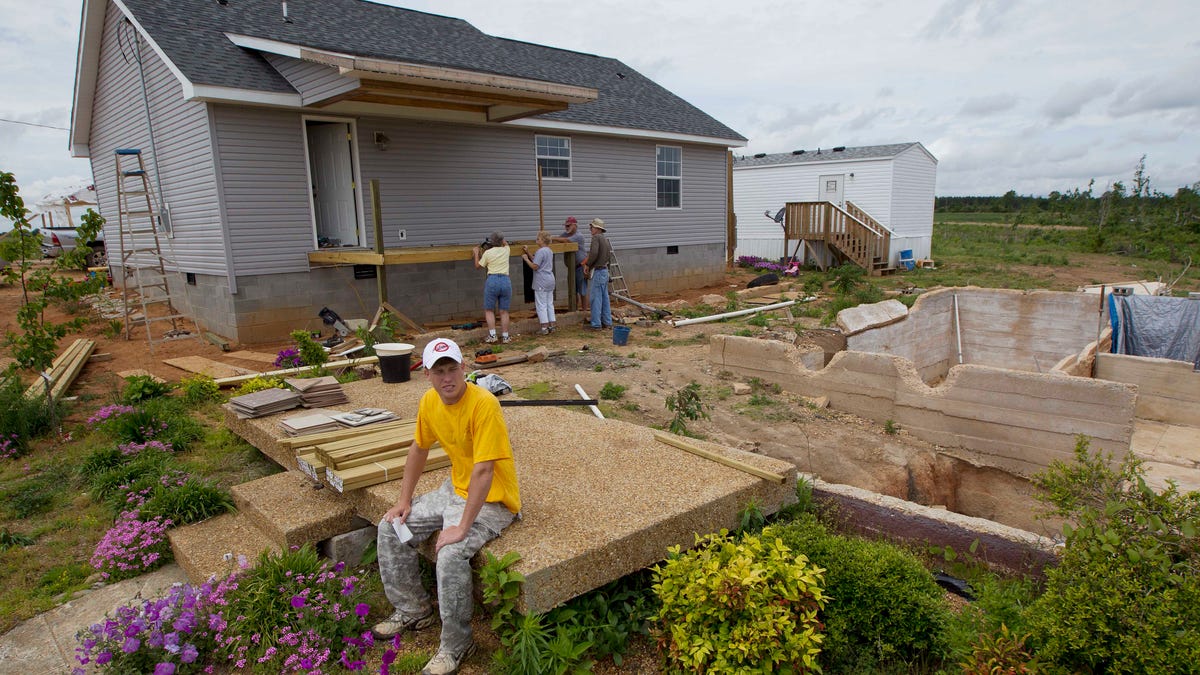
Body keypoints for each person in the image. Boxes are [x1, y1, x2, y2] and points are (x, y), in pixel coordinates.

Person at [374, 337, 521, 675]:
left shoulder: (484, 404)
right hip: (455, 489)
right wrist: (403, 501)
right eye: (439, 371)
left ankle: (457, 644)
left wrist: (461, 527)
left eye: (452, 369)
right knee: (391, 526)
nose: (447, 378)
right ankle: (413, 608)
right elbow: (418, 449)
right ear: (427, 374)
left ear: (464, 369)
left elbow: (484, 472)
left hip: (494, 498)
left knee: (451, 553)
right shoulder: (429, 402)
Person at [472, 232, 512, 344]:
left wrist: (476, 253)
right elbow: (505, 243)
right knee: (504, 311)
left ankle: (493, 335)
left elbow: (477, 266)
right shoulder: (506, 250)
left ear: (491, 242)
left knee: (489, 310)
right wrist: (502, 240)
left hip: (492, 280)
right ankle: (505, 336)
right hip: (505, 280)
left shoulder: (488, 253)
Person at [550, 216, 588, 313]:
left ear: (575, 225)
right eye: (566, 226)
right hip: (572, 267)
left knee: (582, 291)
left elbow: (566, 241)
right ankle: (574, 311)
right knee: (572, 290)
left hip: (580, 267)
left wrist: (552, 238)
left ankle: (584, 311)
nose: (566, 227)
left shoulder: (578, 236)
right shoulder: (565, 234)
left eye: (568, 225)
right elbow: (558, 240)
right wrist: (550, 239)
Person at [521, 231, 556, 334]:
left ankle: (544, 327)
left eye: (538, 238)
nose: (537, 239)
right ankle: (552, 325)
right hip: (550, 279)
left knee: (541, 304)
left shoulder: (540, 251)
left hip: (542, 281)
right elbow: (536, 260)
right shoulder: (549, 251)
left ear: (543, 240)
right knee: (549, 303)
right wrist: (528, 252)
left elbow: (535, 266)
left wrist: (526, 259)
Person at [581, 218, 613, 330]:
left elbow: (594, 253)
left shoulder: (596, 238)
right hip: (605, 271)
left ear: (598, 229)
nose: (590, 229)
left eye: (592, 227)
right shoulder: (605, 240)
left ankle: (596, 324)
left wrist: (588, 265)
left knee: (595, 299)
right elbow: (609, 257)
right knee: (605, 299)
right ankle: (607, 322)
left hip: (598, 271)